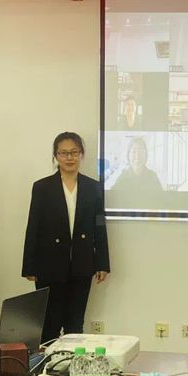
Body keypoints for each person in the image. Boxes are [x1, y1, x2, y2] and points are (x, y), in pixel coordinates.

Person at [22, 132, 110, 343]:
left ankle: (72, 362)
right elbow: (33, 226)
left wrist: (102, 262)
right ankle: (48, 364)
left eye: (74, 152)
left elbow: (100, 226)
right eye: (63, 153)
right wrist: (29, 266)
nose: (69, 157)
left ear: (81, 154)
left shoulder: (93, 187)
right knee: (49, 325)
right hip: (48, 265)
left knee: (75, 324)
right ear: (56, 156)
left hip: (82, 264)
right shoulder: (42, 187)